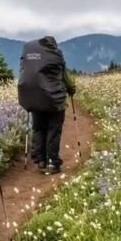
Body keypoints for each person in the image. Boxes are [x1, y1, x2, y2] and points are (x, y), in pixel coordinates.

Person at [18, 36, 76, 174]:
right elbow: (67, 79)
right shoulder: (55, 57)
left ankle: (40, 161)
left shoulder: (31, 59)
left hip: (35, 101)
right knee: (53, 131)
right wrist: (72, 90)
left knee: (38, 129)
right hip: (55, 103)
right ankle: (52, 162)